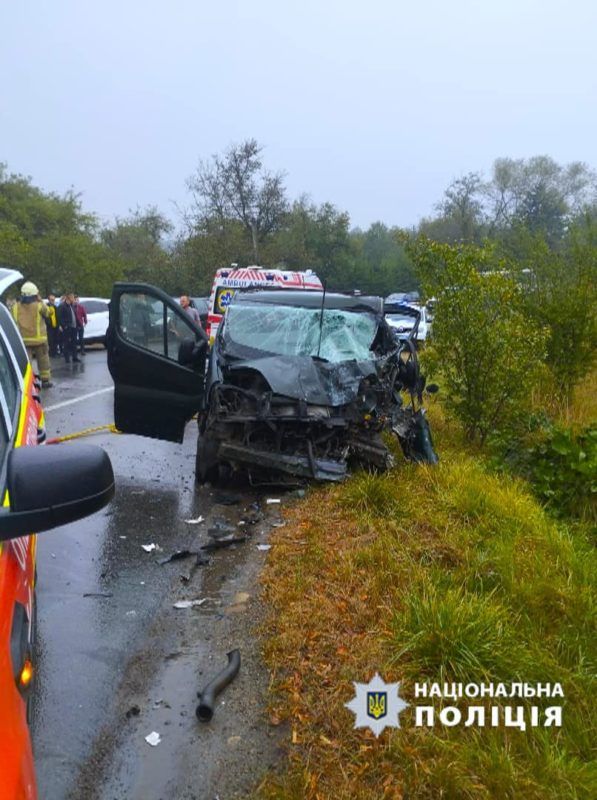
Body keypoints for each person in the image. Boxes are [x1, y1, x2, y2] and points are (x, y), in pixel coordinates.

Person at [12, 281, 53, 387]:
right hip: (39, 339)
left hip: (24, 340)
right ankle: (45, 381)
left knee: (26, 363)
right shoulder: (39, 305)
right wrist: (41, 301)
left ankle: (27, 383)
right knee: (43, 360)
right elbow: (49, 312)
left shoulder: (16, 307)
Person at [58, 293, 80, 363]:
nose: (74, 299)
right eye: (73, 298)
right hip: (67, 327)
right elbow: (60, 317)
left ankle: (75, 357)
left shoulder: (71, 306)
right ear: (69, 298)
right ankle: (67, 358)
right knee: (66, 343)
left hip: (74, 327)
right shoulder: (62, 306)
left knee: (74, 342)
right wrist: (64, 326)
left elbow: (74, 316)